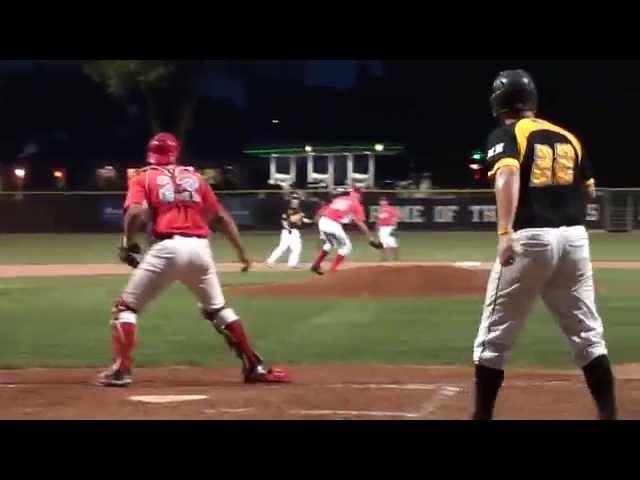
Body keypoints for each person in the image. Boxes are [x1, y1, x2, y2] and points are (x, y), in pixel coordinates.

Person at [472, 70, 616, 420]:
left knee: (493, 339)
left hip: (531, 238)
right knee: (587, 336)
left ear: (498, 102)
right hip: (574, 240)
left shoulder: (507, 133)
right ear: (532, 99)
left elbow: (507, 175)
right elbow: (590, 190)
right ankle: (609, 415)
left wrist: (505, 233)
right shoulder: (567, 136)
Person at [97, 132, 291, 387]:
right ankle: (254, 366)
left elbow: (135, 212)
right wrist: (241, 253)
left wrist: (127, 242)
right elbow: (220, 217)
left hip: (166, 249)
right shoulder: (196, 178)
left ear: (151, 154)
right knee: (218, 310)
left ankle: (122, 370)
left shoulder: (144, 177)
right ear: (175, 153)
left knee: (125, 309)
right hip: (200, 249)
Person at [310, 186, 379, 275]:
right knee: (346, 246)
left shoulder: (340, 198)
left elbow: (327, 211)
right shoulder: (356, 204)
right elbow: (360, 223)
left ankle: (316, 265)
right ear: (359, 195)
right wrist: (371, 238)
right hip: (333, 224)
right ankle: (333, 270)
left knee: (329, 244)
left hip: (323, 221)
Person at [265, 192, 313, 269]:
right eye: (294, 198)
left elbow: (301, 219)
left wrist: (310, 221)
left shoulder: (298, 210)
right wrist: (287, 228)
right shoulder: (288, 209)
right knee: (282, 247)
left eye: (297, 199)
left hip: (295, 231)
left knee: (297, 248)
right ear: (291, 200)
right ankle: (270, 261)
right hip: (287, 231)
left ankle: (292, 264)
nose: (295, 200)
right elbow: (285, 220)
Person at [375, 197, 399, 261]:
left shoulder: (390, 209)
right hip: (382, 228)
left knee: (392, 243)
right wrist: (377, 228)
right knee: (382, 244)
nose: (382, 202)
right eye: (381, 201)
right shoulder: (379, 210)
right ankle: (384, 258)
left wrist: (394, 228)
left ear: (387, 202)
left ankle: (395, 257)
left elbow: (395, 218)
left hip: (389, 227)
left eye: (383, 201)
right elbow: (378, 220)